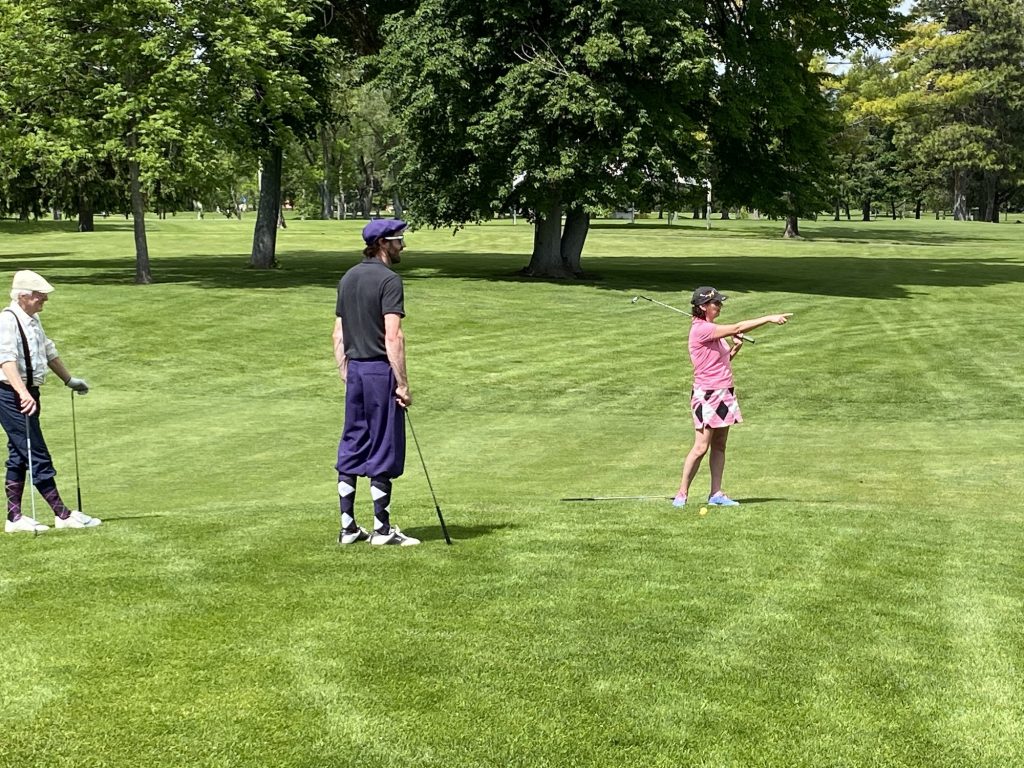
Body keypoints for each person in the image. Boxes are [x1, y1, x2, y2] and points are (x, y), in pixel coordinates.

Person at [332, 219, 420, 546]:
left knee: (353, 442)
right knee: (383, 444)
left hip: (355, 371)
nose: (403, 246)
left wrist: (346, 372)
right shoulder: (389, 280)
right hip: (379, 372)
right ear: (383, 243)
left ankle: (348, 527)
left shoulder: (348, 278)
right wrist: (403, 384)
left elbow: (338, 333)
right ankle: (382, 530)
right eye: (399, 240)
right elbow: (393, 337)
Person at [673, 286, 792, 508]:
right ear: (703, 307)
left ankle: (716, 493)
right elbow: (737, 326)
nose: (720, 306)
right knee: (701, 447)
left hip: (724, 391)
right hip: (707, 394)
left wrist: (735, 348)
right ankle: (682, 493)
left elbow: (720, 363)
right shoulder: (702, 330)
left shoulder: (713, 331)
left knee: (720, 445)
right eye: (715, 303)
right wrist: (769, 318)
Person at [0, 270, 99, 533]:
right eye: (39, 296)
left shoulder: (33, 320)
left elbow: (48, 351)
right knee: (35, 451)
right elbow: (5, 360)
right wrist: (23, 394)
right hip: (10, 393)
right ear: (23, 296)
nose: (44, 299)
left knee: (19, 455)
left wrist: (69, 380)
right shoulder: (7, 321)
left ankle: (14, 518)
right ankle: (62, 513)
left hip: (29, 391)